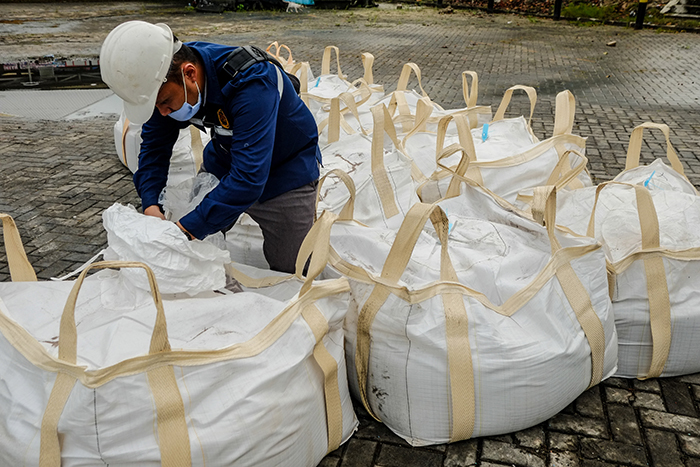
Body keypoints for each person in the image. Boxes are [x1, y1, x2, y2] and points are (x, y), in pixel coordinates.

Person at [100, 21, 320, 273]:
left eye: (165, 102)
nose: (162, 112)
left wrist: (185, 231)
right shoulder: (164, 76)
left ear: (190, 74)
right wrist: (151, 204)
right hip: (226, 161)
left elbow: (248, 178)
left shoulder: (252, 83)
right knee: (191, 253)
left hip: (285, 171)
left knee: (292, 267)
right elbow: (153, 149)